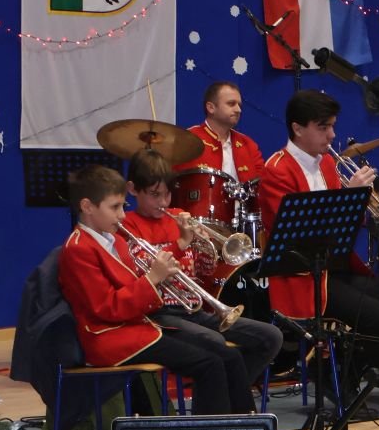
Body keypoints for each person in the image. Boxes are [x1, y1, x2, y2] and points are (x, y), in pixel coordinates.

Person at [259, 89, 379, 391]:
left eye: (332, 126)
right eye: (323, 127)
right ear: (298, 129)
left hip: (337, 268)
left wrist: (369, 209)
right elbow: (298, 233)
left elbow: (343, 228)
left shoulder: (327, 164)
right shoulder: (277, 170)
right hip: (303, 276)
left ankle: (341, 367)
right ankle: (341, 374)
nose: (331, 135)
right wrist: (348, 197)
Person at [58, 164, 254, 415]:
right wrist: (153, 279)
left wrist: (170, 260)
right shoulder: (78, 248)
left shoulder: (113, 238)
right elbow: (107, 307)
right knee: (209, 364)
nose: (121, 215)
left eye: (122, 207)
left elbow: (140, 276)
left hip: (138, 326)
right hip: (110, 337)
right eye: (114, 207)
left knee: (229, 357)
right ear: (87, 207)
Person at [120, 150, 283, 407]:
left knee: (270, 337)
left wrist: (202, 243)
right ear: (132, 189)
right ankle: (230, 408)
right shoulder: (128, 226)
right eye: (154, 195)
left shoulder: (178, 216)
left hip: (195, 311)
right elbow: (147, 272)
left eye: (167, 193)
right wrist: (181, 243)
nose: (163, 201)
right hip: (160, 314)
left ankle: (220, 397)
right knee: (215, 343)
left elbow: (204, 272)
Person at [173, 81, 266, 184]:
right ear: (211, 108)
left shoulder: (249, 145)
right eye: (231, 104)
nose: (238, 110)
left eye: (239, 105)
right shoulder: (188, 140)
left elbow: (262, 186)